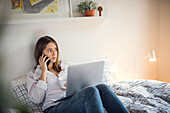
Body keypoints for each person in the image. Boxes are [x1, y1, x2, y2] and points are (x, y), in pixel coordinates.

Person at [27, 36, 129, 113]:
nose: (54, 54)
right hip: (54, 108)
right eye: (49, 50)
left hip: (72, 100)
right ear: (41, 54)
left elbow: (78, 87)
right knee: (91, 91)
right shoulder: (34, 74)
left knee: (102, 87)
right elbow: (37, 99)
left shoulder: (64, 67)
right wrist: (44, 71)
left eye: (55, 49)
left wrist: (73, 86)